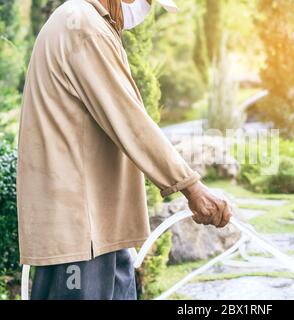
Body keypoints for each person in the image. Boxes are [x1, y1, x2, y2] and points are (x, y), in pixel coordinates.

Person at [17, 0, 232, 300]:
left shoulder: (89, 22)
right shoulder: (82, 26)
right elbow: (130, 121)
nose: (144, 12)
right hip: (81, 229)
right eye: (146, 2)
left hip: (96, 226)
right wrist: (192, 187)